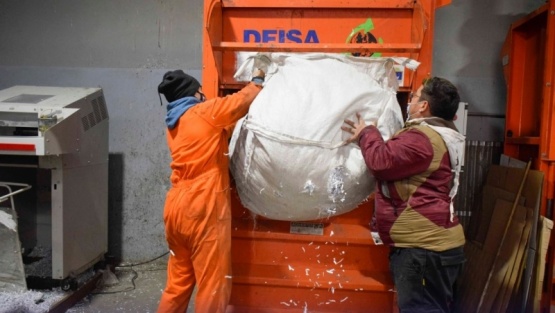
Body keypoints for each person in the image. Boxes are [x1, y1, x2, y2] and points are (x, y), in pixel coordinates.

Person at [341, 77, 466, 312]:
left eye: (415, 96)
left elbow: (381, 161)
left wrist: (366, 132)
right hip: (432, 247)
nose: (411, 101)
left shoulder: (422, 138)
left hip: (424, 249)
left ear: (424, 106)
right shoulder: (441, 135)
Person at [156, 68, 265, 313]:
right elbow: (240, 102)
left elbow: (210, 135)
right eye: (199, 91)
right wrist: (257, 81)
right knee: (212, 285)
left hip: (176, 207)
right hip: (203, 206)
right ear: (192, 93)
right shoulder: (205, 111)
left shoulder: (174, 123)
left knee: (177, 284)